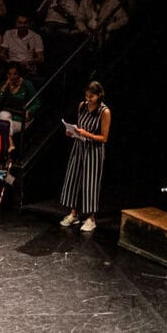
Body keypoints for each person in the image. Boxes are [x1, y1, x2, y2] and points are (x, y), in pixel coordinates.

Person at [59, 81, 111, 232]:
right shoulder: (82, 105)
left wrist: (87, 134)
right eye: (87, 95)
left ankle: (91, 218)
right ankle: (73, 214)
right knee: (73, 179)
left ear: (99, 95)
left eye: (92, 96)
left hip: (94, 151)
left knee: (90, 183)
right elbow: (79, 128)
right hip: (79, 147)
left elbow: (104, 138)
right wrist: (72, 132)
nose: (88, 99)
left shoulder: (104, 111)